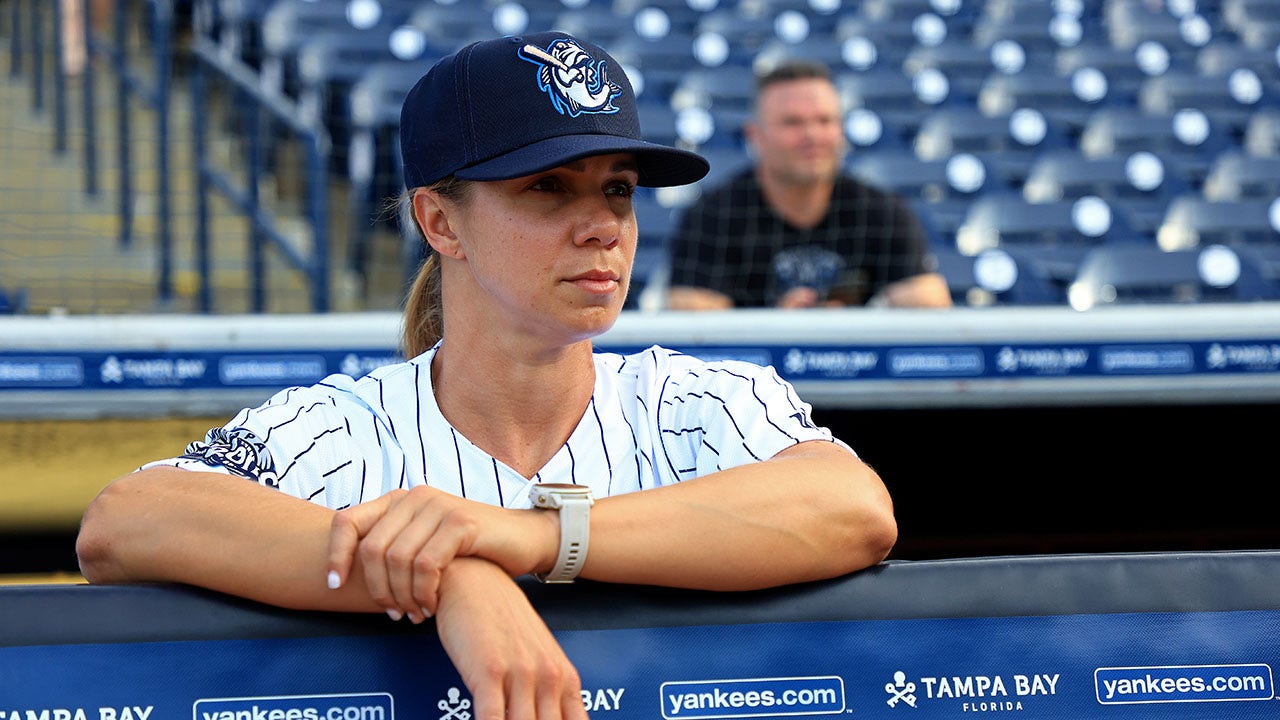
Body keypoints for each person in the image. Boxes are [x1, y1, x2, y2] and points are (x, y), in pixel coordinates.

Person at [75, 32, 897, 720]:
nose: (603, 226)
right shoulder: (349, 428)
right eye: (548, 188)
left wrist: (527, 539)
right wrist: (454, 579)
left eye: (618, 190)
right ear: (440, 220)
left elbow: (854, 509)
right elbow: (125, 521)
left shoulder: (695, 400)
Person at [666, 60, 953, 310]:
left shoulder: (882, 211)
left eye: (824, 120)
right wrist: (782, 331)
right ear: (756, 136)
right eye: (793, 123)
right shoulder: (713, 216)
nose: (812, 135)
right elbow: (693, 324)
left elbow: (930, 309)